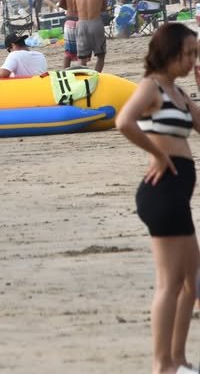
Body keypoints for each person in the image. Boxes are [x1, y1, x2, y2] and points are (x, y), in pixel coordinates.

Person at [115, 23, 200, 374]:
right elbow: (124, 121)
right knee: (170, 282)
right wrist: (159, 154)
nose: (193, 60)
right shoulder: (151, 87)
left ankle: (178, 360)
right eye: (189, 54)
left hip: (176, 194)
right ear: (168, 53)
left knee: (191, 282)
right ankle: (162, 365)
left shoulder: (178, 93)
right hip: (161, 193)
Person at [74, 0, 108, 72]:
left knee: (82, 58)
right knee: (101, 56)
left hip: (81, 23)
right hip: (95, 22)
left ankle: (84, 80)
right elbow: (104, 7)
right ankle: (96, 76)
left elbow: (75, 7)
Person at [59, 0, 88, 68]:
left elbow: (62, 3)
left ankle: (64, 76)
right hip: (82, 20)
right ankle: (83, 76)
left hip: (69, 21)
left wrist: (71, 8)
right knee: (83, 54)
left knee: (68, 54)